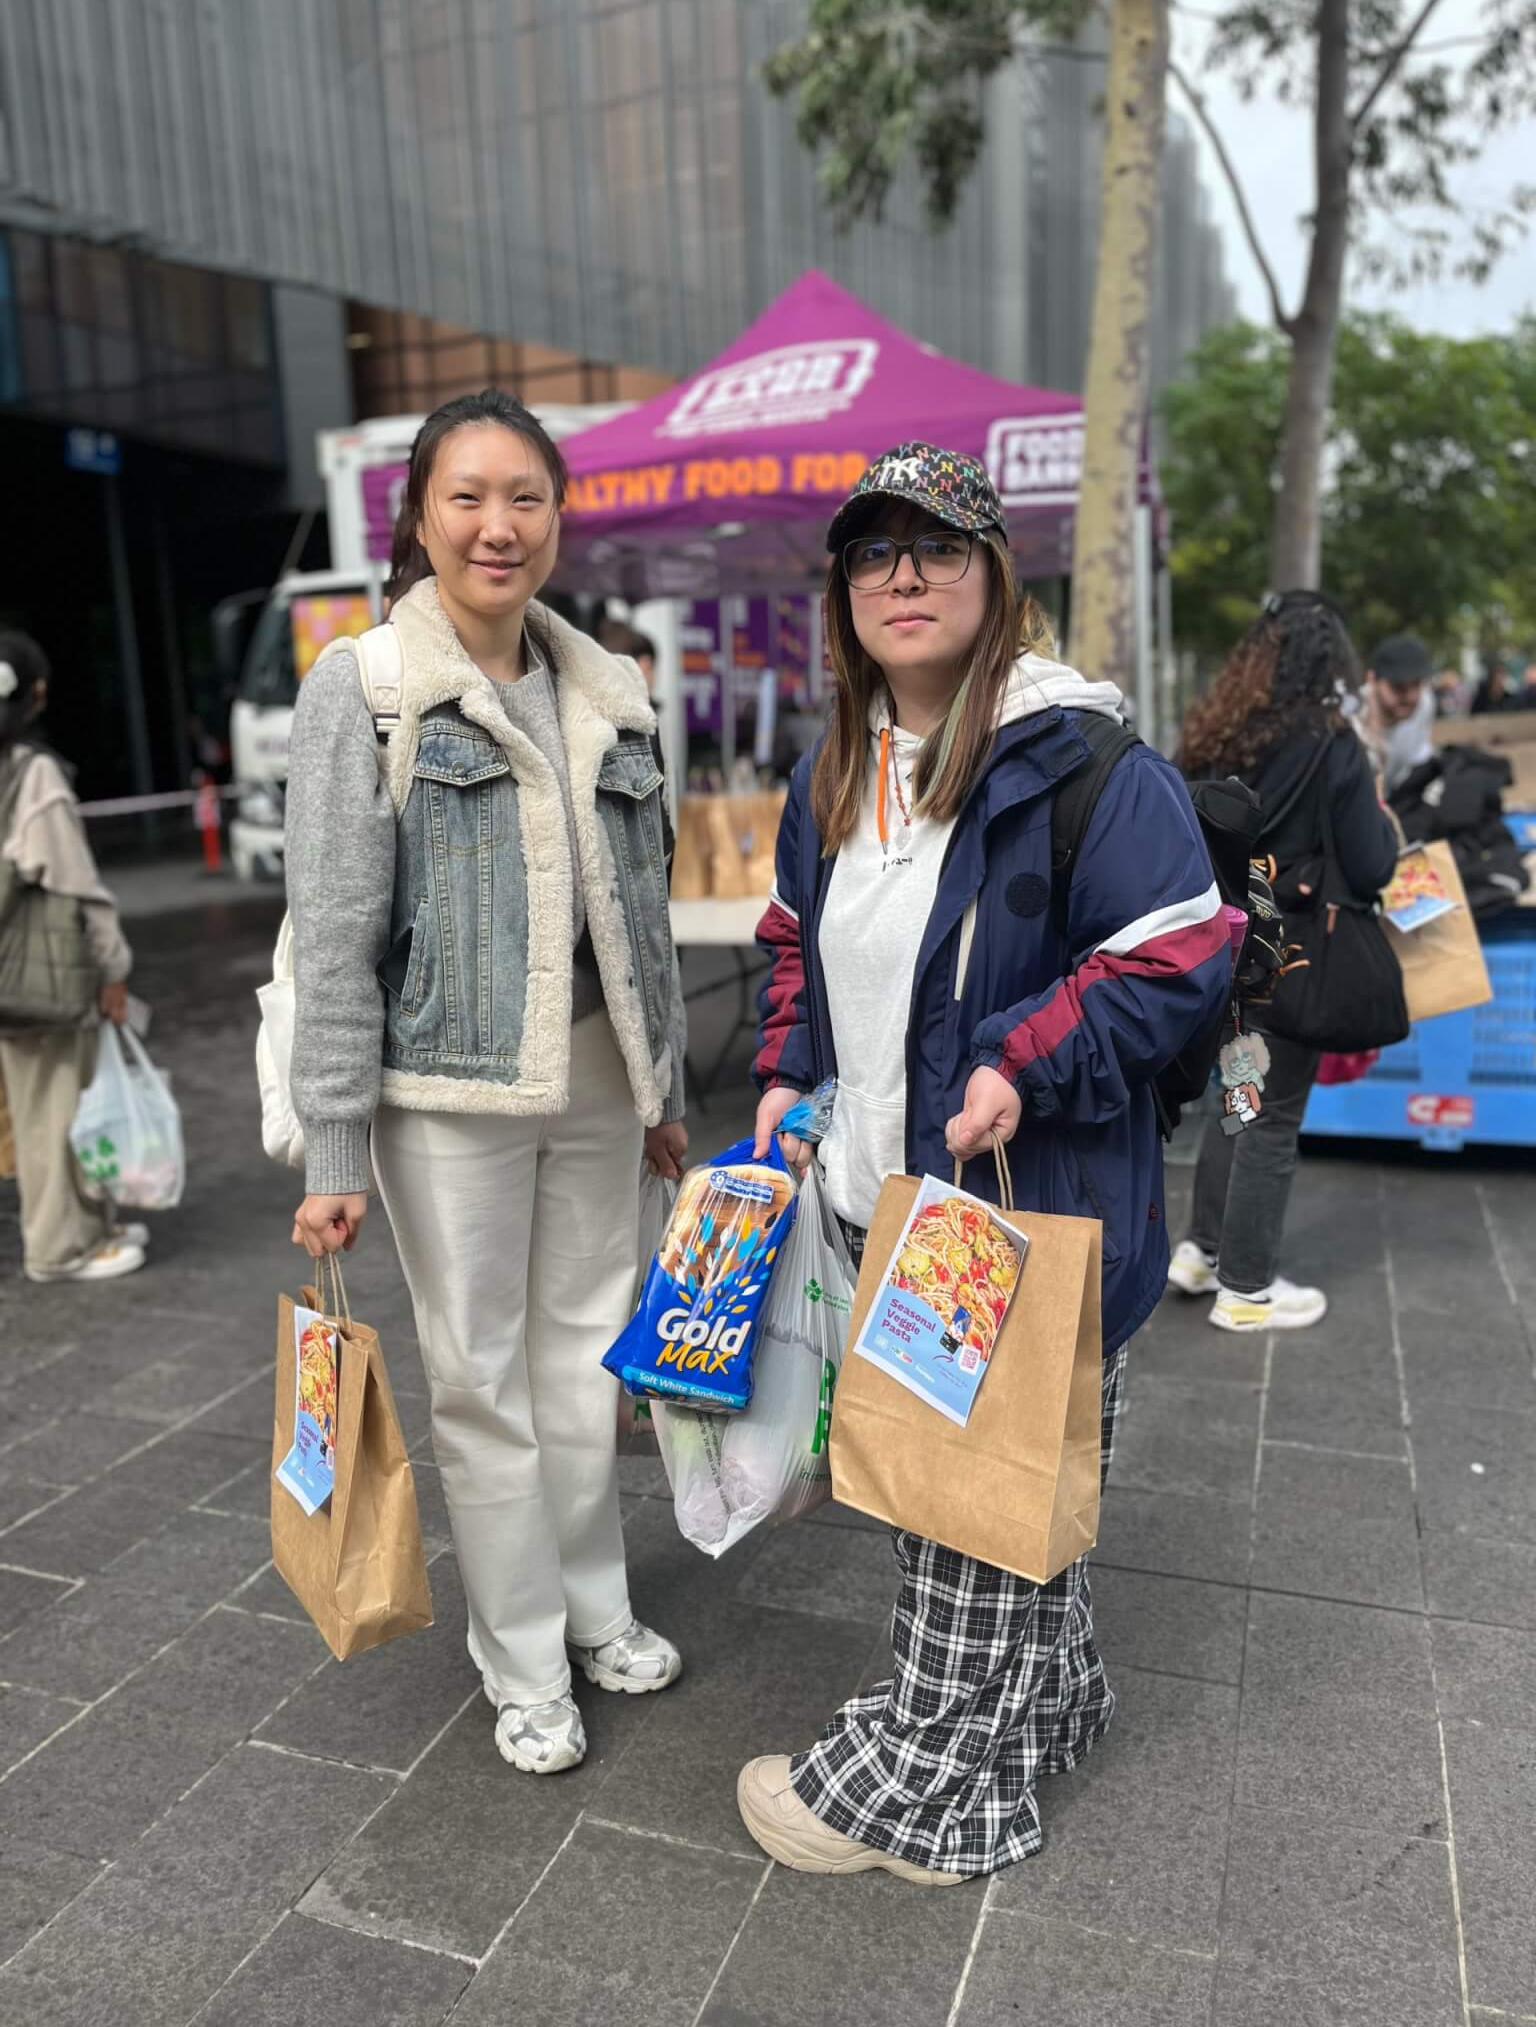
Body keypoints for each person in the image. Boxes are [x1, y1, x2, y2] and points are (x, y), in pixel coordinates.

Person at [735, 442, 1230, 1884]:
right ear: (843, 591)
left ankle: (922, 1797)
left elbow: (1182, 951)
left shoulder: (1083, 760)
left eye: (936, 549)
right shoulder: (835, 767)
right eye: (873, 551)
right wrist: (782, 1074)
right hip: (884, 1207)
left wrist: (1022, 1056)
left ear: (993, 576)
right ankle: (1047, 1714)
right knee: (1008, 1488)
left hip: (1028, 1209)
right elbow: (789, 943)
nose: (901, 574)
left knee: (965, 1504)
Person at [284, 389, 688, 1778]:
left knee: (589, 1366)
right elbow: (335, 931)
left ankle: (596, 1610)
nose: (497, 526)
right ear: (417, 516)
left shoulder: (609, 688)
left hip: (591, 1073)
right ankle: (521, 1659)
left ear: (560, 518)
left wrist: (662, 1091)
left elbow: (642, 909)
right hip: (443, 1092)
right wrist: (335, 1152)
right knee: (481, 1380)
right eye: (467, 497)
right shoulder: (368, 686)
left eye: (526, 497)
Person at [1169, 591, 1399, 1332]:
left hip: (1221, 947)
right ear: (1330, 660)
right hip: (1294, 952)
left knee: (1237, 1103)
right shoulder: (1332, 743)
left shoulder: (1215, 734)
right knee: (1270, 1122)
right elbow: (1369, 867)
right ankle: (1245, 1291)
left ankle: (1202, 1252)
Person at [0, 632, 146, 1283]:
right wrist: (113, 966)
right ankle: (60, 1249)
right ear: (35, 694)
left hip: (9, 967)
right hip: (47, 972)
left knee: (46, 1103)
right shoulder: (31, 774)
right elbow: (75, 882)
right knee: (57, 1108)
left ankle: (89, 1224)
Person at [1362, 632, 1435, 797]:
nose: (1409, 696)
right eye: (1398, 687)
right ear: (1372, 680)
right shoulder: (1353, 715)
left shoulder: (1425, 703)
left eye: (1416, 685)